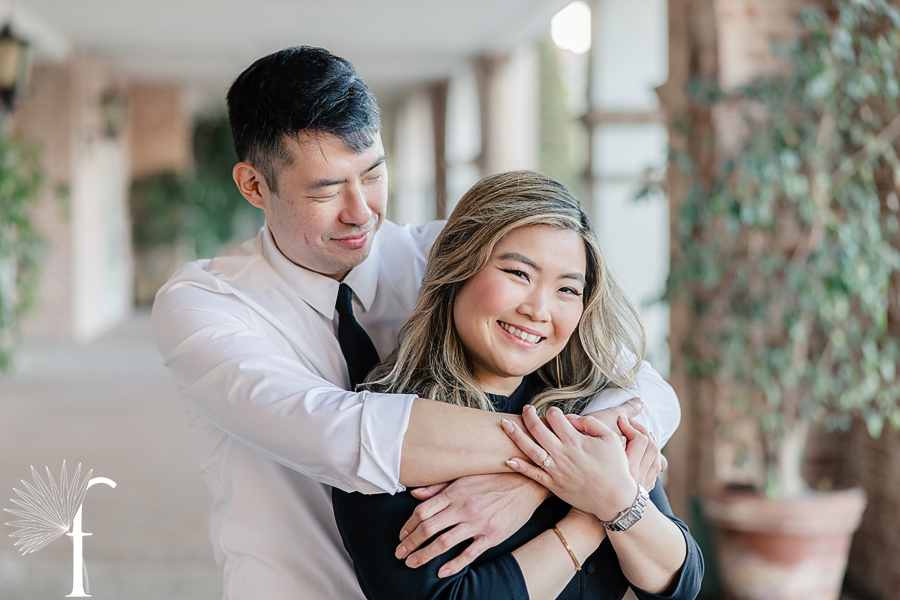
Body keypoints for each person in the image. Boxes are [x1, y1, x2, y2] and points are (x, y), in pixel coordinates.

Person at [151, 46, 682, 600]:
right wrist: (574, 474)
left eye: (373, 174)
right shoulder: (205, 303)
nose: (361, 211)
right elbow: (346, 436)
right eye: (327, 189)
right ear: (254, 185)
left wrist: (540, 485)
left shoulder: (447, 259)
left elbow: (643, 388)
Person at [332, 171, 703, 600]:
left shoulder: (588, 404)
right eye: (518, 273)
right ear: (458, 266)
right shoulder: (389, 428)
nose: (539, 310)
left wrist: (610, 498)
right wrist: (591, 512)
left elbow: (681, 580)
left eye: (567, 289)